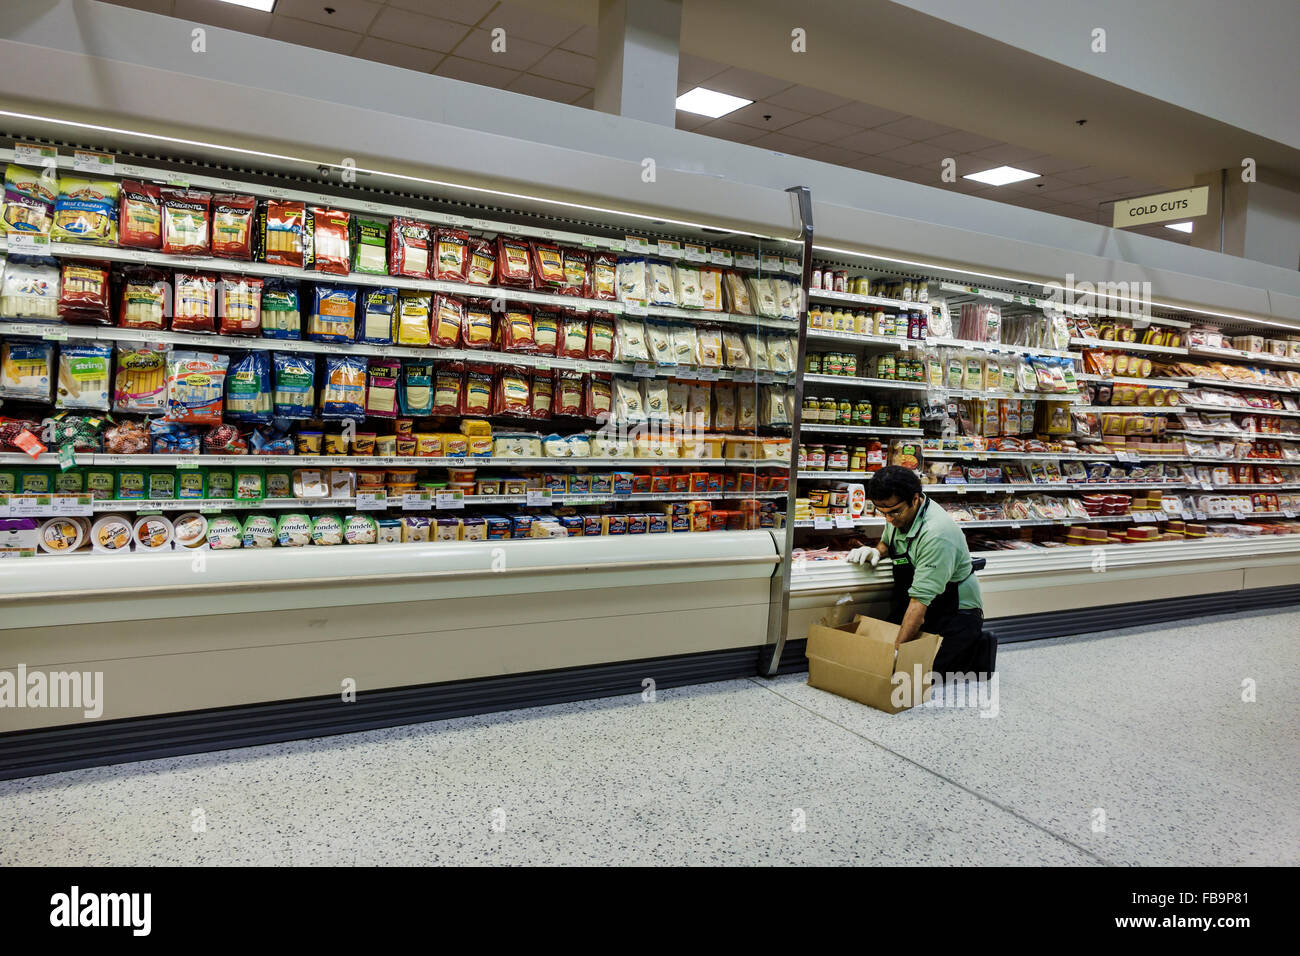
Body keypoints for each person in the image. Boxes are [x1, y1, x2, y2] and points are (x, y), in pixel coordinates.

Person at [847, 466, 995, 678]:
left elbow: (919, 605)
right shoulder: (899, 513)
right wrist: (876, 551)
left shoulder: (937, 534)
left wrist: (898, 653)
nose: (888, 519)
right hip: (917, 602)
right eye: (882, 512)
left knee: (915, 673)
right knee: (873, 651)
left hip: (954, 611)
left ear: (915, 499)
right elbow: (889, 542)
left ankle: (976, 644)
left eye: (893, 512)